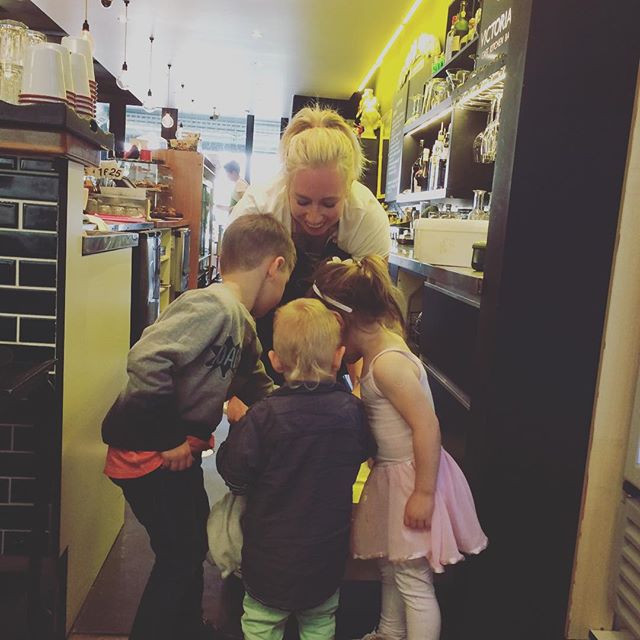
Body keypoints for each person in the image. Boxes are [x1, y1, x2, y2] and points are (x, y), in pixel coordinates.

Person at [101, 214, 296, 640]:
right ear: (275, 267)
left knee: (193, 539)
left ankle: (187, 627)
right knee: (180, 553)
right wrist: (168, 437)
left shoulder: (242, 325)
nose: (281, 295)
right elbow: (146, 360)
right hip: (148, 449)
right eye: (284, 283)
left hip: (176, 453)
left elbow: (258, 384)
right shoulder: (214, 307)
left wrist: (298, 411)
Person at [312, 256, 489, 640]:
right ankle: (390, 632)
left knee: (413, 580)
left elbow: (427, 425)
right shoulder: (381, 349)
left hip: (411, 478)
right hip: (395, 475)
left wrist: (423, 492)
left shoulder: (388, 366)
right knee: (394, 566)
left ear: (342, 322)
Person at [217, 298, 375, 640]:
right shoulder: (352, 413)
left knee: (261, 623)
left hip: (268, 556)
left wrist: (237, 428)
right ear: (338, 356)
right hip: (326, 554)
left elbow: (234, 474)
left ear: (275, 361)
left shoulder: (263, 416)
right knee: (320, 622)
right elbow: (366, 450)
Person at [229, 105, 391, 386]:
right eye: (302, 201)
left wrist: (362, 391)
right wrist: (237, 391)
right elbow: (235, 310)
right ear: (287, 184)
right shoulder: (258, 209)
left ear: (348, 188)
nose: (314, 217)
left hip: (331, 339)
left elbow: (368, 316)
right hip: (264, 334)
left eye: (329, 203)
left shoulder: (366, 216)